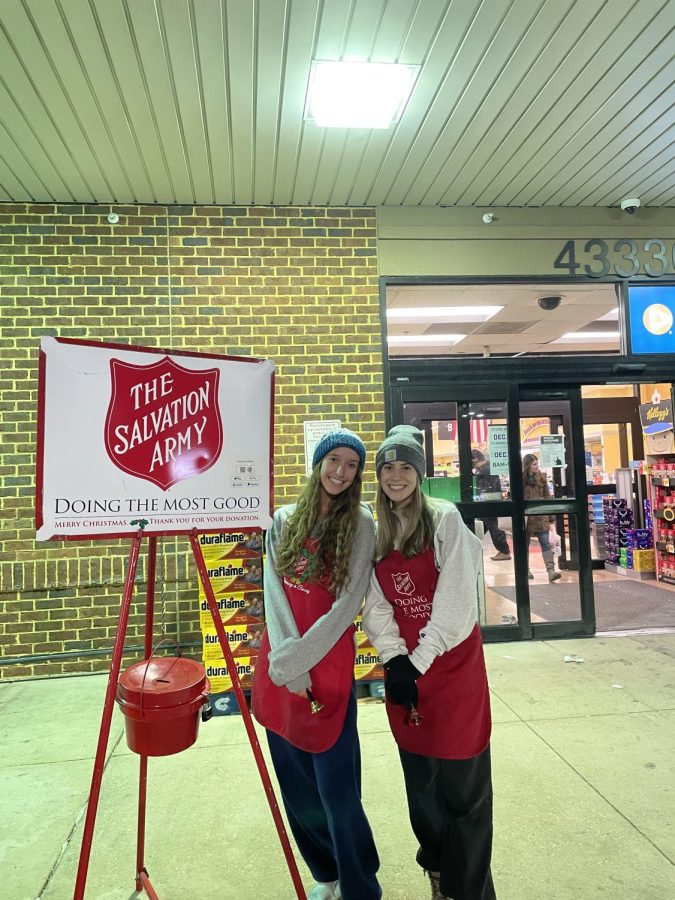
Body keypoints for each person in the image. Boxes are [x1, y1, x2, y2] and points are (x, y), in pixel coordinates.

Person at [363, 426, 495, 900]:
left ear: (419, 473)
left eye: (405, 467)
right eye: (387, 467)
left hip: (452, 668)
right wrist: (394, 659)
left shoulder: (444, 519)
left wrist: (416, 660)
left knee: (465, 792)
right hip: (406, 670)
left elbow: (458, 605)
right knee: (422, 789)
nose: (396, 477)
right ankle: (439, 873)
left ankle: (470, 891)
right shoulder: (375, 529)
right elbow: (376, 602)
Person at [251, 428, 381, 900]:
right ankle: (325, 872)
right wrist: (287, 662)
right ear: (318, 463)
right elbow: (274, 595)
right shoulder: (283, 519)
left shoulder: (363, 524)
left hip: (327, 666)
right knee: (297, 787)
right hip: (279, 665)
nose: (341, 472)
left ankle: (361, 885)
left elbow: (348, 604)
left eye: (351, 465)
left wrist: (303, 660)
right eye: (334, 461)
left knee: (337, 789)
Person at [523, 453, 561, 582]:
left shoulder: (542, 478)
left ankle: (551, 571)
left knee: (546, 543)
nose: (536, 466)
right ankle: (525, 570)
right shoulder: (520, 479)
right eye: (534, 464)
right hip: (526, 518)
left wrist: (551, 518)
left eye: (537, 463)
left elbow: (547, 497)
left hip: (541, 516)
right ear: (527, 465)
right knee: (524, 545)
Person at [471, 448, 511, 561]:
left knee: (494, 528)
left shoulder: (485, 471)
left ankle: (504, 551)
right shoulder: (486, 469)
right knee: (481, 529)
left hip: (488, 504)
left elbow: (485, 489)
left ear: (475, 459)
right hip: (488, 504)